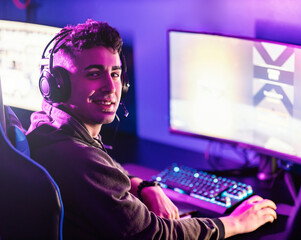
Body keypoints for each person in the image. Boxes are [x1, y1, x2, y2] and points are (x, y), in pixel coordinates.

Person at [26, 19, 277, 239]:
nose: (111, 88)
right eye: (94, 74)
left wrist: (144, 186)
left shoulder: (45, 125)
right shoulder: (78, 157)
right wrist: (236, 223)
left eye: (115, 74)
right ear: (57, 85)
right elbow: (156, 234)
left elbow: (101, 175)